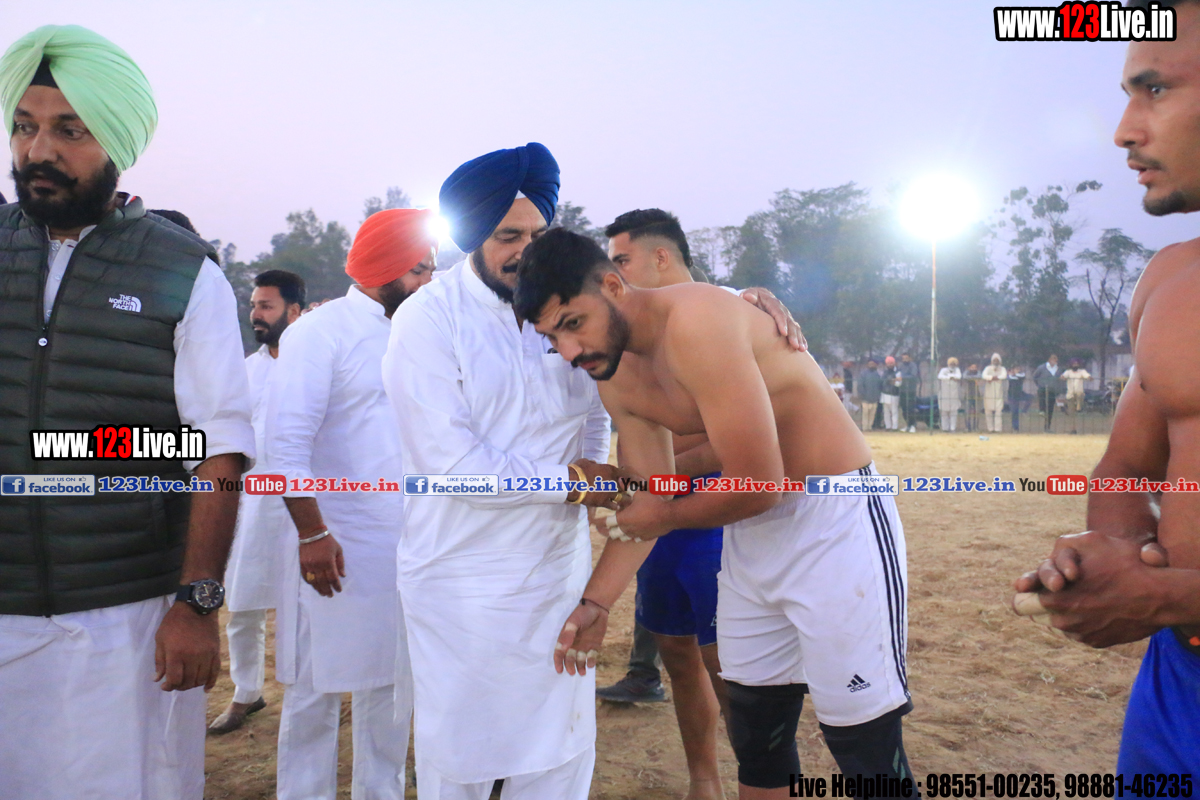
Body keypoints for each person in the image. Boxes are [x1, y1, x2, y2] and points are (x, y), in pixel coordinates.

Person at [517, 229, 915, 798]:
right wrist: (596, 602)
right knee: (755, 734)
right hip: (747, 534)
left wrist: (662, 516)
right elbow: (654, 498)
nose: (570, 351)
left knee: (864, 746)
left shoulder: (697, 320)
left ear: (613, 286)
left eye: (573, 323)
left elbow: (758, 485)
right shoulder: (617, 376)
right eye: (553, 337)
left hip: (835, 522)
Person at [0, 26, 255, 800]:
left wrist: (197, 603)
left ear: (117, 140)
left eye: (70, 131)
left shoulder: (182, 271)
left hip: (128, 616)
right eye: (24, 125)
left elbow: (217, 449)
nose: (39, 150)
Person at [383, 143, 623, 800]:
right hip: (461, 584)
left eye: (537, 235)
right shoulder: (429, 319)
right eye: (508, 236)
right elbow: (452, 464)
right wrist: (572, 484)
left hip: (555, 576)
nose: (525, 251)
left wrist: (747, 299)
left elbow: (591, 408)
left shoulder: (564, 304)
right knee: (461, 762)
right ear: (471, 237)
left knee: (558, 756)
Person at [1012, 0, 1200, 773]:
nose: (1124, 129)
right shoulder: (1172, 280)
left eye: (1155, 89)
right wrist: (1112, 551)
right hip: (1179, 683)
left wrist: (1177, 594)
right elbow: (1126, 465)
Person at [601, 208, 803, 800]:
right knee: (675, 651)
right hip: (661, 521)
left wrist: (657, 482)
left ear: (661, 257)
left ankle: (756, 781)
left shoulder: (729, 315)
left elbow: (754, 440)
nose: (614, 277)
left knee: (731, 667)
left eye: (622, 260)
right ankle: (703, 781)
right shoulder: (628, 337)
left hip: (718, 514)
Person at [266, 209, 436, 799]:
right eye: (418, 269)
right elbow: (286, 445)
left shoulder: (418, 331)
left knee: (390, 686)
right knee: (314, 690)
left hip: (403, 544)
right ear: (383, 269)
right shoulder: (320, 332)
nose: (429, 281)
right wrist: (312, 534)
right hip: (332, 544)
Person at [208, 270, 305, 735]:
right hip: (251, 504)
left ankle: (307, 693)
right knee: (243, 602)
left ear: (294, 311)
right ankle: (246, 692)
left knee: (303, 606)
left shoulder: (313, 364)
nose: (255, 314)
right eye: (253, 306)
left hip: (306, 506)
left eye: (266, 306)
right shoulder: (246, 369)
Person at [1060, 358, 1092, 434]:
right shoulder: (1068, 372)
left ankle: (1078, 407)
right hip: (1070, 395)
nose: (1075, 365)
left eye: (1077, 364)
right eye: (1074, 364)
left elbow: (1087, 376)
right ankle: (1073, 429)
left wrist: (1089, 378)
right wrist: (1062, 377)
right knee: (1072, 414)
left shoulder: (1082, 371)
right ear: (1071, 365)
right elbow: (1063, 376)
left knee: (1079, 396)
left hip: (1079, 394)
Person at [1033, 354, 1063, 433]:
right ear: (1049, 360)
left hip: (1053, 390)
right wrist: (1039, 385)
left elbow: (1060, 380)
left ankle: (1047, 427)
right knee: (1042, 398)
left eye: (1056, 360)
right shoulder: (1042, 367)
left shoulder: (1058, 369)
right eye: (1053, 359)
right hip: (1043, 388)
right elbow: (1035, 376)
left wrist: (1058, 389)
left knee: (1050, 409)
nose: (1054, 361)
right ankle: (1041, 410)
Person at [981, 353, 1007, 433]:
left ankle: (998, 429)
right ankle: (990, 429)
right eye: (994, 360)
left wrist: (996, 377)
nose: (996, 362)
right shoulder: (988, 368)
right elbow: (984, 376)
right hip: (989, 392)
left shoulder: (1002, 368)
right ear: (992, 361)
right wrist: (992, 377)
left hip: (999, 392)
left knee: (998, 411)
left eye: (997, 360)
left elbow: (1004, 376)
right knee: (988, 411)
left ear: (1000, 361)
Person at [937, 357, 962, 432]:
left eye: (954, 363)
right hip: (944, 393)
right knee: (944, 412)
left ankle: (952, 428)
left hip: (954, 394)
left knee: (953, 412)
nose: (952, 364)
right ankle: (945, 428)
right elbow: (940, 376)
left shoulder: (957, 370)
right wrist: (950, 377)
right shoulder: (943, 370)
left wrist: (950, 377)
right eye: (951, 363)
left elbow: (959, 377)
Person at [858, 359, 883, 433]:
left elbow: (880, 386)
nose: (871, 365)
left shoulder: (877, 374)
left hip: (875, 398)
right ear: (867, 365)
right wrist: (862, 395)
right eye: (870, 364)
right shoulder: (863, 374)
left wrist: (878, 395)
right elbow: (860, 385)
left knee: (872, 414)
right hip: (865, 398)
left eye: (873, 364)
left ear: (875, 365)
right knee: (865, 413)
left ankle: (869, 427)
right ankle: (865, 427)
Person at [897, 353, 919, 432]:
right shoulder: (900, 365)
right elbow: (898, 374)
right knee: (904, 408)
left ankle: (913, 425)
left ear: (910, 358)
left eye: (906, 358)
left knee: (910, 408)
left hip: (911, 390)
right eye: (903, 358)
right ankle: (907, 425)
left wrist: (902, 378)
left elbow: (913, 375)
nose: (905, 359)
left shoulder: (913, 365)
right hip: (902, 390)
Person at [881, 355, 901, 430]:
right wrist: (893, 380)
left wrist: (891, 381)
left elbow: (898, 384)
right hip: (885, 394)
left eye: (891, 363)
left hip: (894, 394)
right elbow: (883, 382)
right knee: (886, 412)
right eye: (888, 363)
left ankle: (895, 427)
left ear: (894, 363)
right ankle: (888, 426)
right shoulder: (885, 372)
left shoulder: (897, 372)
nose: (890, 364)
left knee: (894, 411)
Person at [962, 363, 981, 432]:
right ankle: (967, 427)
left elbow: (979, 376)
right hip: (968, 395)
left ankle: (976, 427)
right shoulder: (966, 373)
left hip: (976, 395)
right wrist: (973, 378)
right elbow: (964, 376)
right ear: (969, 367)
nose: (973, 369)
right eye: (972, 367)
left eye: (975, 367)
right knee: (967, 412)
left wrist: (971, 378)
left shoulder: (978, 373)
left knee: (977, 412)